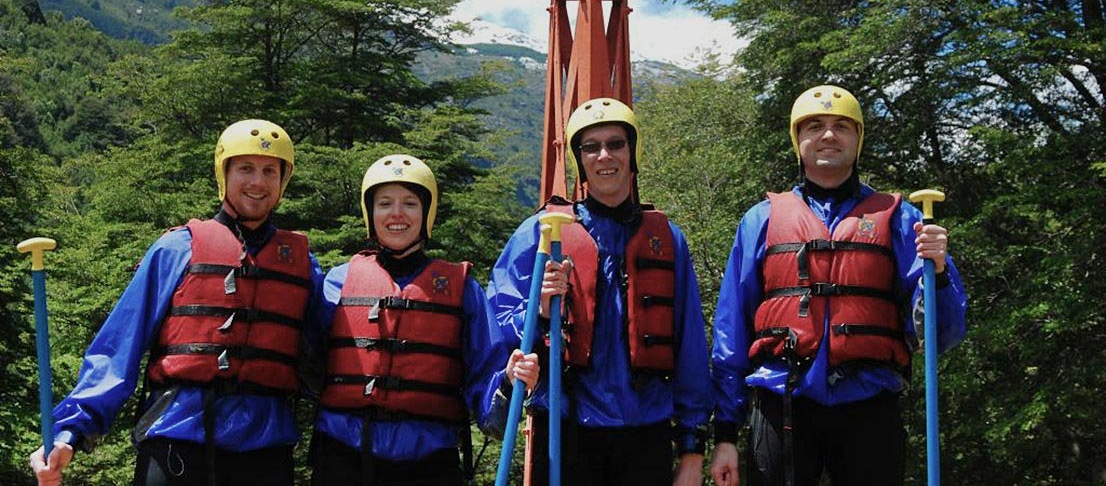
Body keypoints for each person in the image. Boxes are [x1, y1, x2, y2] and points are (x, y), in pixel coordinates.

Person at [29, 119, 325, 486]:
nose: (258, 182)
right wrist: (70, 433)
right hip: (177, 443)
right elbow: (118, 350)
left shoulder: (301, 265)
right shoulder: (176, 249)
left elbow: (337, 352)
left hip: (266, 453)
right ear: (224, 174)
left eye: (269, 171)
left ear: (283, 180)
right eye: (245, 168)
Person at [710, 85, 968, 486]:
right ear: (798, 141)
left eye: (841, 126)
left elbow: (942, 335)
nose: (828, 135)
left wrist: (938, 273)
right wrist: (726, 431)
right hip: (783, 400)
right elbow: (731, 329)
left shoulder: (903, 220)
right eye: (814, 126)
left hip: (869, 400)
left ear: (857, 139)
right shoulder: (760, 220)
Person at [487, 97, 712, 486]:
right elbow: (497, 330)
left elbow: (690, 344)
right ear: (579, 158)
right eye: (591, 147)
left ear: (632, 153)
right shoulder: (541, 233)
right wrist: (537, 308)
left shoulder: (667, 239)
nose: (604, 156)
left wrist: (692, 448)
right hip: (565, 425)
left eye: (616, 144)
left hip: (645, 429)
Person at [311, 153, 539, 486]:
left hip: (429, 462)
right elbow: (307, 362)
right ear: (370, 213)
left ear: (426, 213)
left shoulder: (463, 292)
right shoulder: (336, 283)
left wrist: (506, 379)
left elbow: (486, 383)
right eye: (385, 203)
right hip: (343, 456)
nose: (397, 214)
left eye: (410, 203)